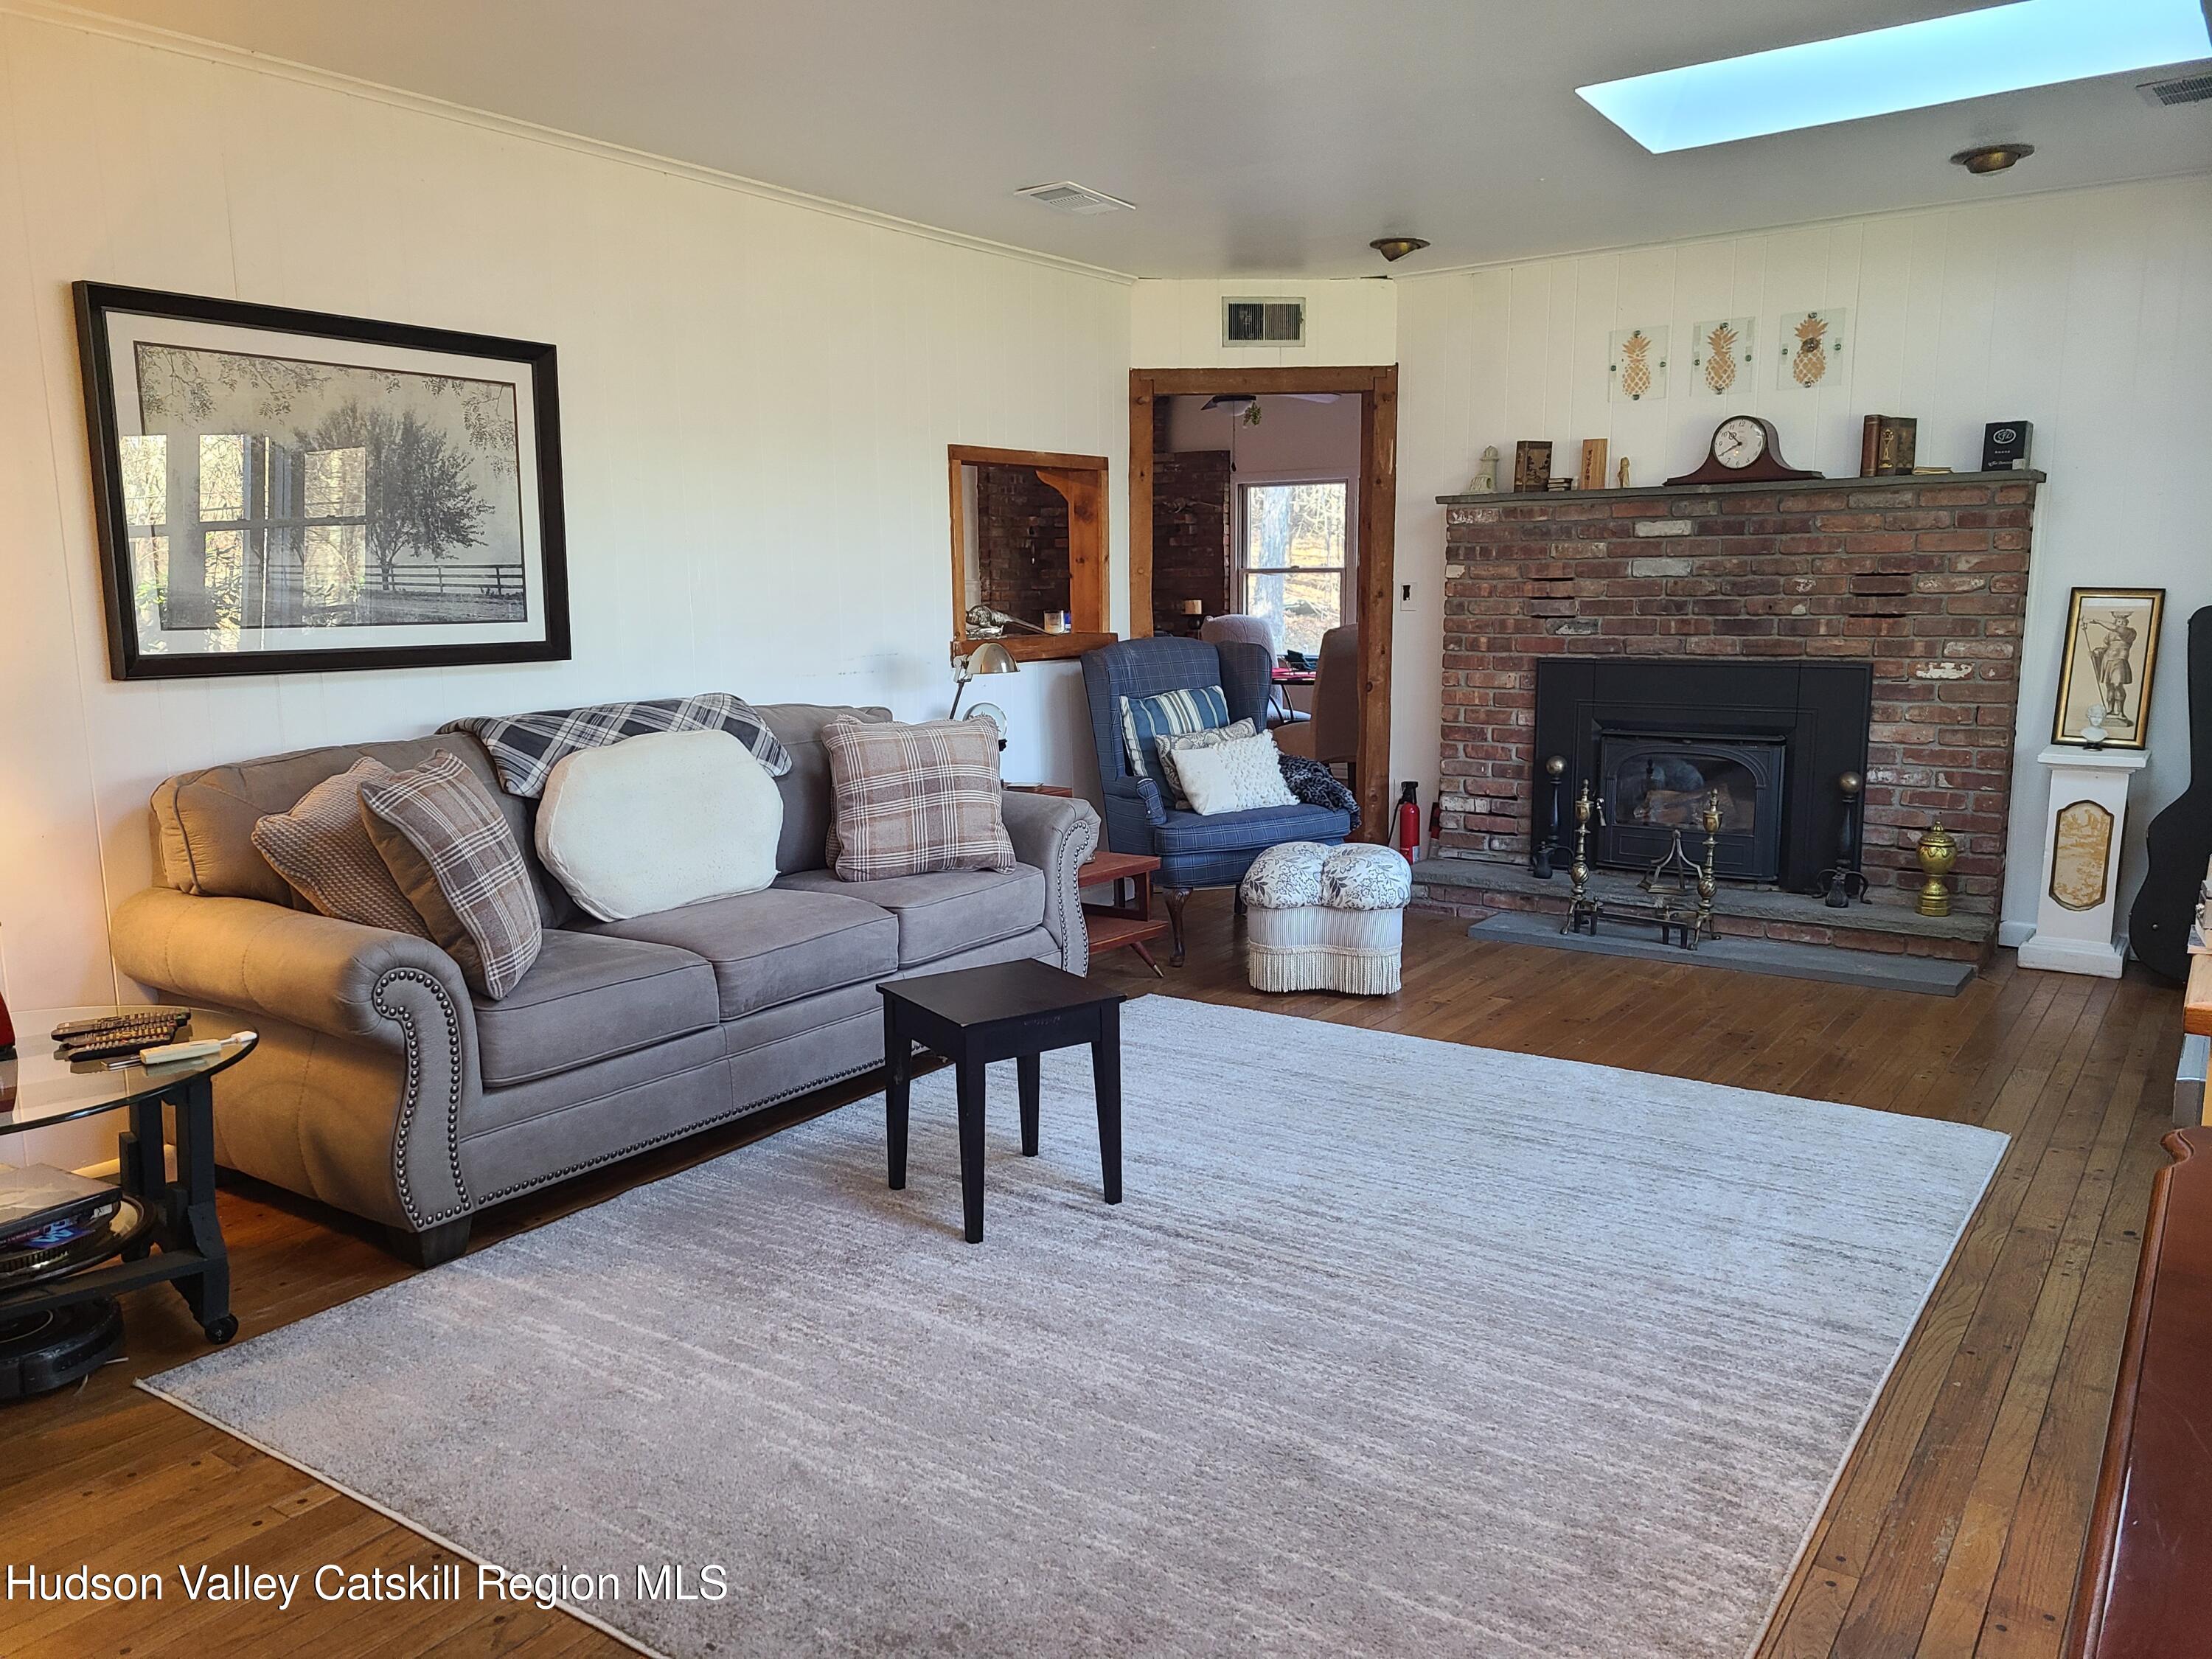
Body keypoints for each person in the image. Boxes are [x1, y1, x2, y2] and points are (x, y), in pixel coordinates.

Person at [2083, 611, 2138, 727]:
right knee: (2109, 686)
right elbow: (2104, 647)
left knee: (2118, 685)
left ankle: (2121, 712)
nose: (2121, 624)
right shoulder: (2110, 635)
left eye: (2123, 622)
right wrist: (2096, 652)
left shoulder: (2130, 633)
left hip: (2120, 660)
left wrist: (2096, 621)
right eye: (2119, 621)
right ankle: (2111, 710)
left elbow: (2117, 629)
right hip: (2108, 661)